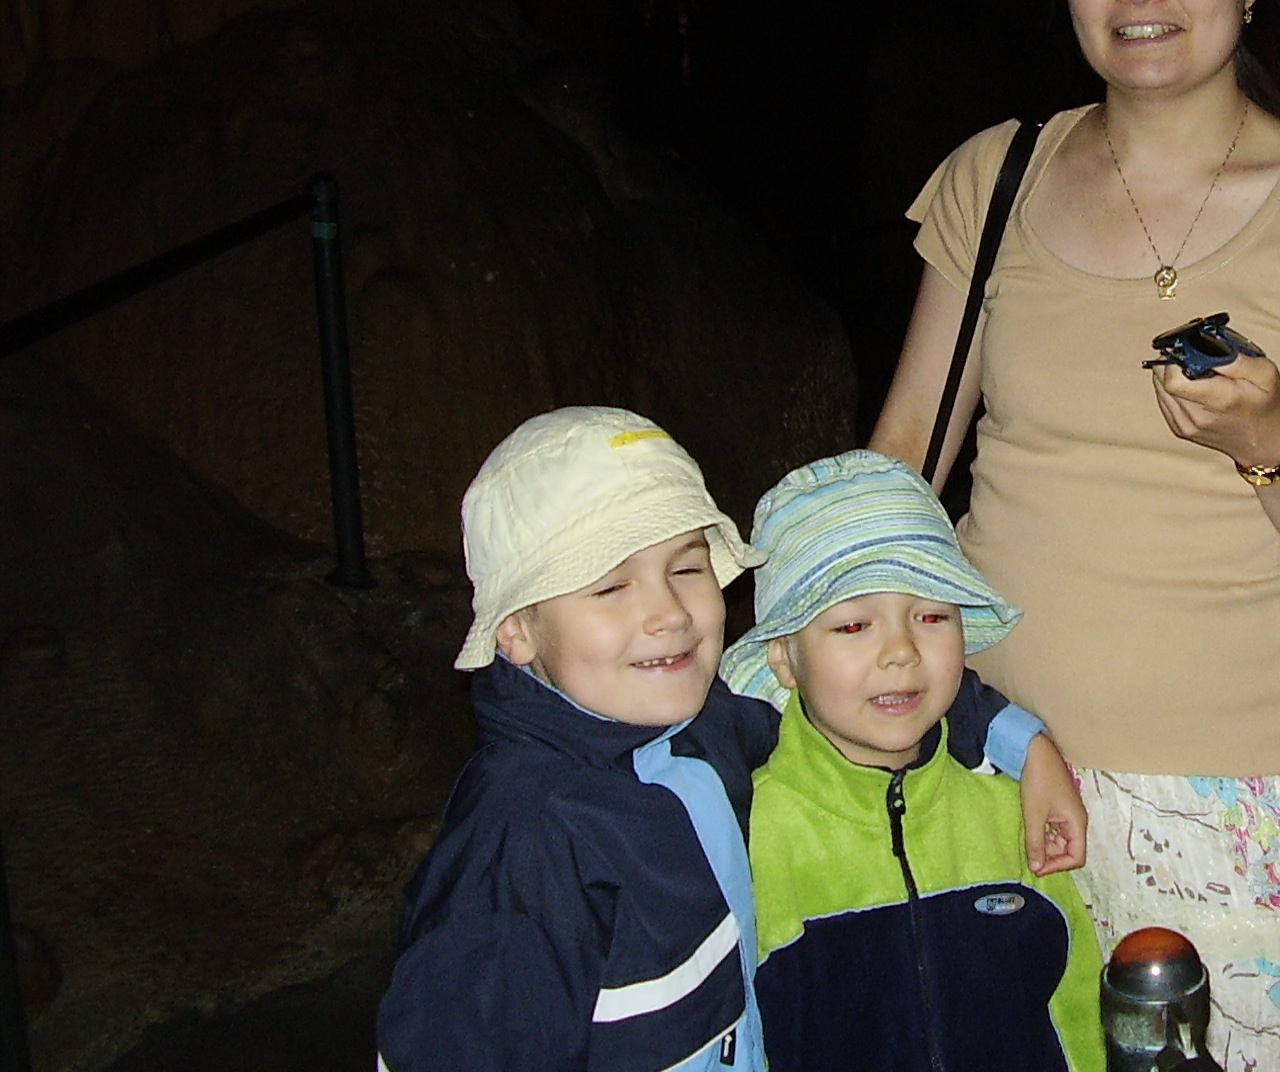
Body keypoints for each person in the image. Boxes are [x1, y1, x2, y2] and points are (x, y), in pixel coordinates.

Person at [869, 0, 1280, 1071]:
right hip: (984, 757)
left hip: (1229, 790)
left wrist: (1270, 444)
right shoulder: (994, 178)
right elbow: (904, 455)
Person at [375, 407, 1080, 1072]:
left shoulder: (701, 728)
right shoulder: (520, 847)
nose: (668, 612)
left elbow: (867, 697)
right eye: (611, 587)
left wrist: (1024, 745)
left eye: (686, 568)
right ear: (516, 630)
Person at [720, 450, 1104, 1072]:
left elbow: (1075, 1006)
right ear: (785, 658)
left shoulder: (1011, 812)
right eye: (853, 626)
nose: (901, 650)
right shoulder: (749, 835)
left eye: (931, 616)